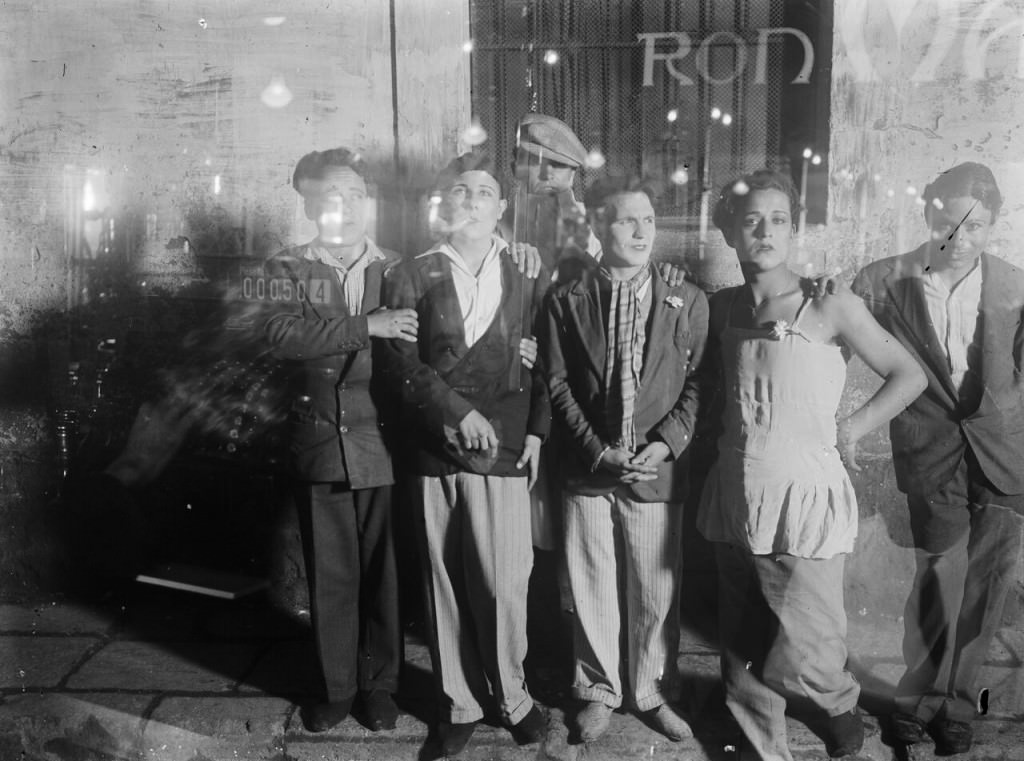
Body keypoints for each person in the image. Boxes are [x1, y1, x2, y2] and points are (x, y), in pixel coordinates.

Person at [696, 169, 926, 760]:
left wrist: (853, 426)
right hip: (735, 488)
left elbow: (910, 375)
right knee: (742, 640)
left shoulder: (828, 302)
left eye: (778, 220)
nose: (764, 231)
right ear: (729, 231)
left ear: (794, 230)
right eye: (750, 220)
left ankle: (838, 706)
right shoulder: (720, 308)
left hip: (802, 493)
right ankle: (760, 745)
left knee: (812, 644)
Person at [378, 150, 550, 755]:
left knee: (504, 583)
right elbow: (398, 362)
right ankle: (459, 702)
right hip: (435, 444)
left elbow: (548, 358)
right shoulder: (410, 273)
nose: (471, 201)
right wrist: (456, 413)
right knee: (443, 578)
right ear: (441, 205)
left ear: (502, 207)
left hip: (502, 446)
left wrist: (538, 429)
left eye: (484, 191)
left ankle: (514, 696)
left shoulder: (528, 270)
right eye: (460, 191)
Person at [851, 162, 1024, 756]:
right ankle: (916, 699)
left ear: (993, 225)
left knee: (989, 584)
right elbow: (837, 325)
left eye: (975, 230)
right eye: (947, 224)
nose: (960, 241)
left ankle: (957, 704)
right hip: (932, 449)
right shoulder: (885, 279)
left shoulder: (1016, 286)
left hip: (1006, 455)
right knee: (938, 579)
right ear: (927, 213)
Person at [538, 175, 707, 743]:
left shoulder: (686, 297)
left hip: (654, 468)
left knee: (655, 588)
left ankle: (652, 690)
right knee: (590, 582)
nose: (640, 231)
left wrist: (665, 444)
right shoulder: (568, 298)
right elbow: (558, 383)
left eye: (649, 220)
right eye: (625, 220)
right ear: (598, 225)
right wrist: (598, 448)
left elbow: (699, 383)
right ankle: (598, 690)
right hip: (590, 468)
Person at [262, 148, 419, 733]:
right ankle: (335, 687)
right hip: (321, 440)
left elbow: (429, 341)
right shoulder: (285, 268)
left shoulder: (399, 267)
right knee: (330, 571)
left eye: (356, 196)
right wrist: (366, 327)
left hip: (384, 441)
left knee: (384, 570)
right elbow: (282, 335)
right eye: (332, 196)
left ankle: (380, 686)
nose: (345, 207)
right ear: (309, 204)